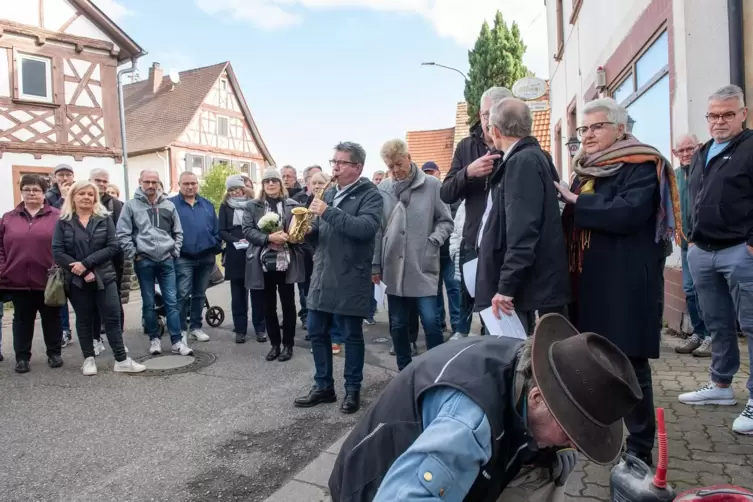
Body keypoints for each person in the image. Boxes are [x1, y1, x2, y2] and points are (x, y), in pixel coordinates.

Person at [328, 314, 642, 501]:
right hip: (370, 487)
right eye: (573, 429)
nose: (576, 442)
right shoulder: (468, 424)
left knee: (556, 463)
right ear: (536, 398)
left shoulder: (528, 369)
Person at [555, 97, 682, 465]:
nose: (588, 135)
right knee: (593, 362)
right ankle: (596, 432)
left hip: (626, 286)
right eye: (584, 129)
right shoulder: (587, 169)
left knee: (629, 366)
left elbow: (628, 214)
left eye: (597, 127)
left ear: (620, 129)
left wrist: (576, 202)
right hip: (590, 284)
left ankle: (641, 447)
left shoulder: (642, 164)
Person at [679, 84, 753, 436]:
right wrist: (691, 240)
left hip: (740, 250)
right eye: (713, 115)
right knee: (718, 323)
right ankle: (721, 386)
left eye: (727, 114)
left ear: (743, 114)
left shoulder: (751, 147)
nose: (719, 121)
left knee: (751, 324)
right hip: (703, 252)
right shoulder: (703, 151)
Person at [294, 142, 383, 414]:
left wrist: (327, 211)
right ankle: (324, 387)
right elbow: (322, 231)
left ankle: (352, 390)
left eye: (341, 162)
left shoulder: (371, 195)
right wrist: (306, 231)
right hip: (323, 275)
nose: (335, 167)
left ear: (357, 167)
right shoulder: (330, 191)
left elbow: (364, 229)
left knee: (351, 336)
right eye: (333, 161)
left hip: (350, 276)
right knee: (317, 332)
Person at [476, 98, 570, 335]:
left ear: (495, 131)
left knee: (516, 361)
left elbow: (522, 231)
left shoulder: (522, 162)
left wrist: (506, 286)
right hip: (533, 286)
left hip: (526, 291)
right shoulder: (535, 156)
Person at [373, 139, 453, 371]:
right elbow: (378, 229)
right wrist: (375, 266)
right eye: (390, 166)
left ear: (409, 158)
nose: (396, 170)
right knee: (397, 323)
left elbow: (446, 221)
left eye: (399, 163)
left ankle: (437, 370)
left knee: (430, 320)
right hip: (393, 267)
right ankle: (404, 370)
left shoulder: (431, 185)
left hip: (422, 264)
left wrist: (433, 242)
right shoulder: (383, 189)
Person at [52, 181, 145, 376]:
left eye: (90, 194)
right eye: (82, 193)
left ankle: (121, 360)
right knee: (84, 319)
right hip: (77, 280)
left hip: (105, 276)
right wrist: (83, 271)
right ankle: (88, 360)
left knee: (112, 317)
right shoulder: (63, 221)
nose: (86, 197)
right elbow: (58, 252)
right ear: (73, 197)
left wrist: (86, 263)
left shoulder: (104, 218)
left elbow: (113, 246)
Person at [440, 87, 510, 326]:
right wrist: (468, 173)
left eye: (493, 114)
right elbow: (446, 192)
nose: (487, 121)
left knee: (504, 320)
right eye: (483, 114)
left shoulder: (518, 146)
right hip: (474, 246)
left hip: (506, 247)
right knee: (480, 311)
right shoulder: (466, 147)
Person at [117, 169, 194, 356]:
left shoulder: (168, 205)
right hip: (144, 261)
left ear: (159, 183)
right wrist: (134, 253)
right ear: (140, 182)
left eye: (154, 182)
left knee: (172, 301)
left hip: (167, 260)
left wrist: (174, 252)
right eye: (147, 182)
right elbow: (122, 233)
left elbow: (178, 231)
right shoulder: (131, 206)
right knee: (149, 302)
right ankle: (155, 339)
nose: (151, 186)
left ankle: (177, 341)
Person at [0, 174, 63, 373]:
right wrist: (3, 269)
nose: (31, 193)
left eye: (36, 190)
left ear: (44, 193)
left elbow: (64, 245)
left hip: (48, 279)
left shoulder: (57, 216)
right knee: (21, 320)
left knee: (51, 318)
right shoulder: (9, 217)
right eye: (27, 189)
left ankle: (54, 353)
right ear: (22, 192)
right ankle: (22, 358)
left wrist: (58, 268)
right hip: (18, 279)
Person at [242, 168, 306, 362]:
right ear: (262, 184)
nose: (271, 184)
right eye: (267, 181)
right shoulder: (253, 206)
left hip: (286, 261)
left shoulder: (292, 205)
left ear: (280, 184)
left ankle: (288, 345)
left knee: (288, 304)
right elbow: (247, 230)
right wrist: (269, 237)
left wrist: (288, 237)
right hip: (262, 262)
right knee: (267, 305)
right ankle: (275, 344)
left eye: (274, 181)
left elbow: (300, 229)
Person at [671, 134, 711, 357]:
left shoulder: (707, 171)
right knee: (689, 290)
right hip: (686, 243)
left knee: (705, 289)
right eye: (681, 150)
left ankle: (711, 337)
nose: (685, 154)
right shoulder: (675, 176)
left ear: (698, 148)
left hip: (705, 241)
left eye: (690, 149)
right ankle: (698, 332)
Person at [170, 172, 222, 343]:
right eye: (186, 183)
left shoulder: (206, 204)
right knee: (183, 295)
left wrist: (214, 244)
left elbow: (216, 229)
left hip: (206, 257)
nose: (190, 186)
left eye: (193, 183)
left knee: (200, 294)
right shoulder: (171, 205)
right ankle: (181, 331)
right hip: (183, 258)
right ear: (179, 184)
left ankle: (196, 327)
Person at [219, 175, 267, 344]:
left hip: (253, 250)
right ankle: (240, 330)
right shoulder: (225, 206)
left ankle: (260, 328)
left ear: (243, 189)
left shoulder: (254, 204)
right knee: (238, 295)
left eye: (236, 189)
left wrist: (251, 239)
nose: (234, 192)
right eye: (231, 190)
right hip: (235, 253)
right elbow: (222, 230)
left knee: (257, 292)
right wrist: (235, 241)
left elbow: (260, 226)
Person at [421, 161, 463, 337]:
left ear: (439, 172)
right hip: (433, 253)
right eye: (426, 172)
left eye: (432, 171)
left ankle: (458, 327)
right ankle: (440, 324)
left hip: (449, 253)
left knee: (454, 289)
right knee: (435, 290)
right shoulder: (423, 195)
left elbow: (456, 219)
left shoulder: (449, 193)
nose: (429, 174)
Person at [90, 168, 125, 354]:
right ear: (90, 180)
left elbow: (121, 234)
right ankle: (95, 339)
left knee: (114, 303)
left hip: (112, 263)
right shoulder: (84, 201)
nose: (102, 184)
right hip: (89, 263)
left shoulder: (116, 205)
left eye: (105, 181)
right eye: (98, 180)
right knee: (92, 304)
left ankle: (119, 339)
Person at [46, 164, 76, 346]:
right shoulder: (49, 197)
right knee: (59, 293)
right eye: (61, 175)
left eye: (68, 175)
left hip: (76, 251)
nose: (65, 178)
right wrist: (63, 199)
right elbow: (53, 219)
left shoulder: (80, 192)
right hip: (57, 252)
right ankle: (64, 330)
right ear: (54, 177)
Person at [296, 165, 324, 330]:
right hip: (307, 254)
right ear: (307, 184)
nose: (316, 186)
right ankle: (310, 323)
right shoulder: (304, 202)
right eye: (313, 182)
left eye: (321, 182)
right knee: (307, 290)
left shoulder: (332, 201)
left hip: (326, 254)